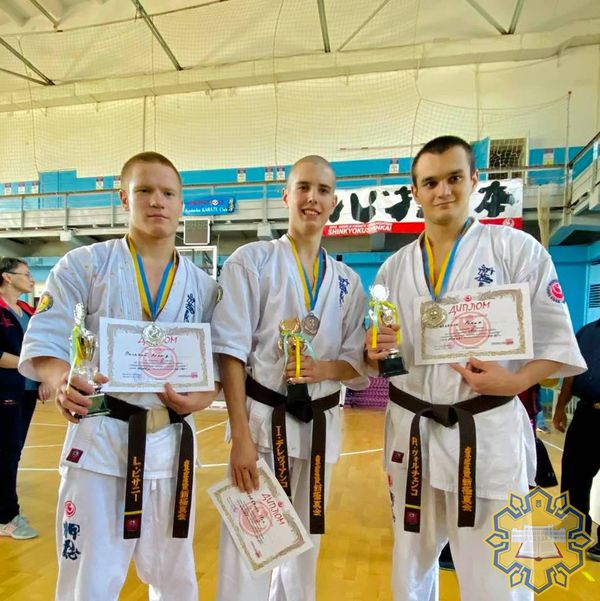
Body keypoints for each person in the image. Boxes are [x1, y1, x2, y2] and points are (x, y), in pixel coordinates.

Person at [365, 136, 586, 601]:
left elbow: (557, 342)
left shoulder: (517, 250)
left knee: (499, 577)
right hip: (413, 430)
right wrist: (375, 353)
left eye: (453, 178)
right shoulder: (393, 270)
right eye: (431, 182)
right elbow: (382, 360)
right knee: (409, 569)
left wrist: (517, 380)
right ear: (415, 192)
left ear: (474, 180)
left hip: (485, 430)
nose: (443, 190)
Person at [19, 152, 220, 601]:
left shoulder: (203, 286)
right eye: (144, 190)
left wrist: (207, 397)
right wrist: (62, 377)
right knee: (89, 580)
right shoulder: (84, 265)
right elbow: (46, 338)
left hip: (172, 444)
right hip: (102, 439)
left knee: (176, 579)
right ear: (124, 198)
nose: (157, 201)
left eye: (168, 193)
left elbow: (218, 363)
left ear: (181, 203)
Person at [212, 155, 368, 601]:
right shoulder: (252, 261)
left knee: (304, 550)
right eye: (303, 187)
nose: (312, 198)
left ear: (334, 202)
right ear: (286, 196)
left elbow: (358, 362)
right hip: (262, 425)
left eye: (323, 190)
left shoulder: (348, 281)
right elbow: (230, 353)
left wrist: (323, 369)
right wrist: (240, 437)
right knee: (250, 545)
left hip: (319, 428)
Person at [0, 258, 51, 540]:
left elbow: (39, 349)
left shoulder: (28, 312)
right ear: (7, 277)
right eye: (26, 274)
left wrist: (42, 377)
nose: (31, 279)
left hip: (27, 391)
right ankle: (5, 517)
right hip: (5, 390)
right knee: (6, 452)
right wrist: (31, 368)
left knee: (13, 451)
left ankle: (6, 509)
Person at [553, 317, 600, 561]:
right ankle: (575, 526)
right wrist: (560, 407)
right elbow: (572, 374)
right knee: (574, 471)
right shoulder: (587, 332)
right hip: (586, 413)